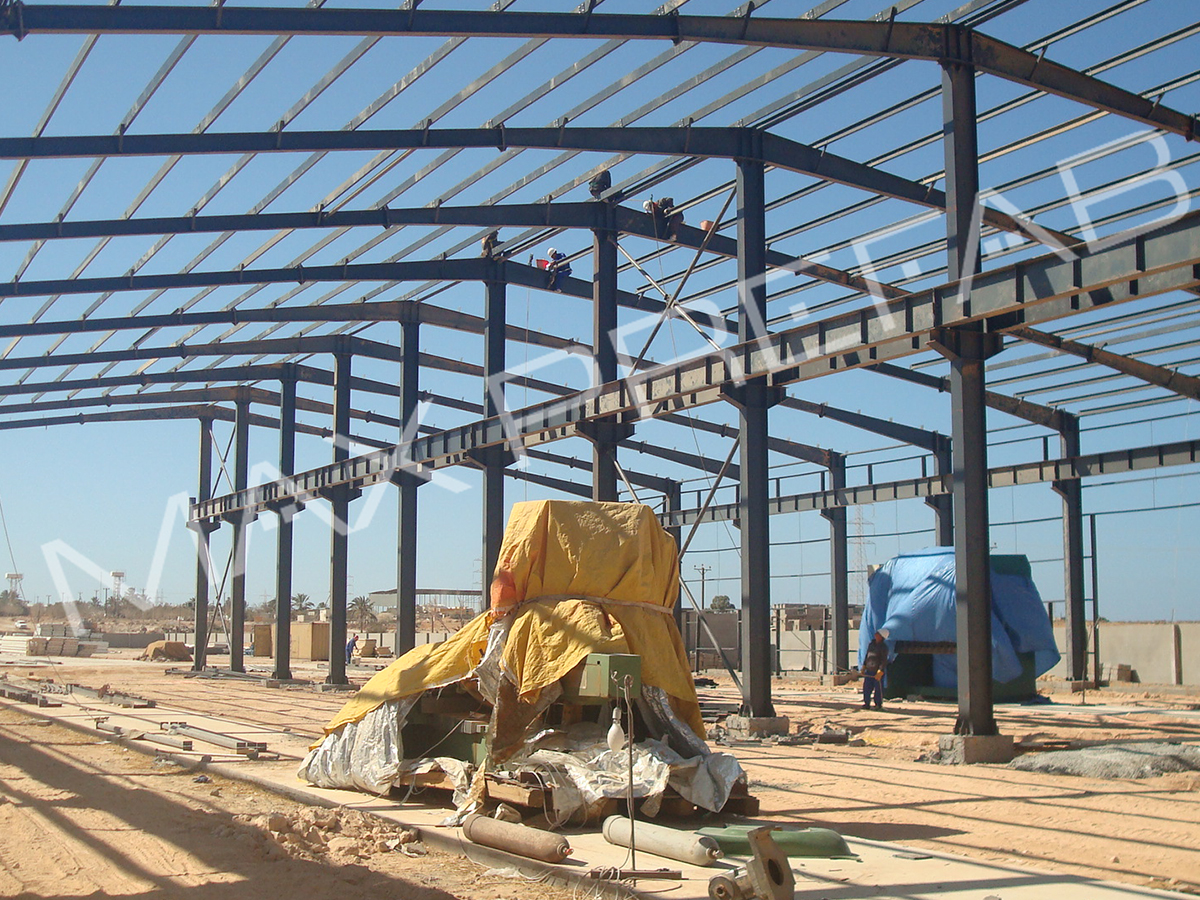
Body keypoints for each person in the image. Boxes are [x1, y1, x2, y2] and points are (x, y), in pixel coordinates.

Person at [861, 630, 888, 709]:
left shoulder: (883, 647)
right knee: (867, 688)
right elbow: (867, 656)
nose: (876, 634)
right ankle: (866, 703)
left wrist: (880, 670)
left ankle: (878, 704)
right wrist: (864, 666)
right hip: (869, 670)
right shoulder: (871, 644)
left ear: (881, 637)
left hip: (877, 671)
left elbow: (884, 660)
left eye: (878, 633)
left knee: (878, 689)